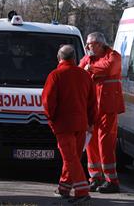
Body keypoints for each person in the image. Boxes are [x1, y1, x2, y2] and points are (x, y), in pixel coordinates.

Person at [42, 45, 97, 204]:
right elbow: (93, 101)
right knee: (73, 157)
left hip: (63, 124)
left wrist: (51, 119)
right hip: (81, 123)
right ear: (74, 58)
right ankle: (64, 188)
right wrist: (91, 121)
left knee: (70, 158)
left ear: (59, 58)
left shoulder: (55, 75)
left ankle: (82, 191)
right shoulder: (85, 75)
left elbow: (48, 101)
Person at [79, 32, 125, 193]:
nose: (87, 47)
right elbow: (80, 72)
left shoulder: (113, 56)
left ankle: (112, 180)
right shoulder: (88, 58)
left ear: (99, 44)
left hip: (108, 108)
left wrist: (90, 69)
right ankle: (95, 178)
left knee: (105, 143)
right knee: (91, 143)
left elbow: (109, 68)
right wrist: (89, 69)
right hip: (92, 108)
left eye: (89, 44)